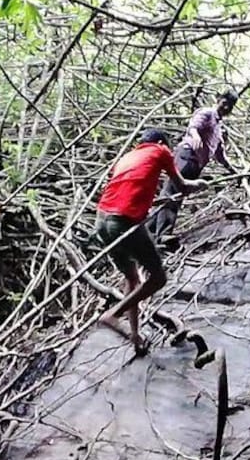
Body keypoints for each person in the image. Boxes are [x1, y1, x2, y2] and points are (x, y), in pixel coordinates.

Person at [95, 129, 207, 352]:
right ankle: (113, 315)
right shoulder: (160, 150)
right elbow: (183, 186)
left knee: (132, 277)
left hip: (101, 220)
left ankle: (135, 337)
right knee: (158, 278)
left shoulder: (126, 158)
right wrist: (200, 185)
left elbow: (128, 186)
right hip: (123, 221)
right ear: (160, 143)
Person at [149, 91, 239, 240]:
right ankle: (163, 235)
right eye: (224, 103)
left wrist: (233, 171)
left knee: (176, 193)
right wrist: (195, 136)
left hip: (196, 164)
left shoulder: (219, 128)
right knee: (173, 193)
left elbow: (219, 154)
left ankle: (150, 232)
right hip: (187, 155)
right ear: (218, 100)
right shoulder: (207, 113)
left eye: (229, 106)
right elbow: (193, 126)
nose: (226, 107)